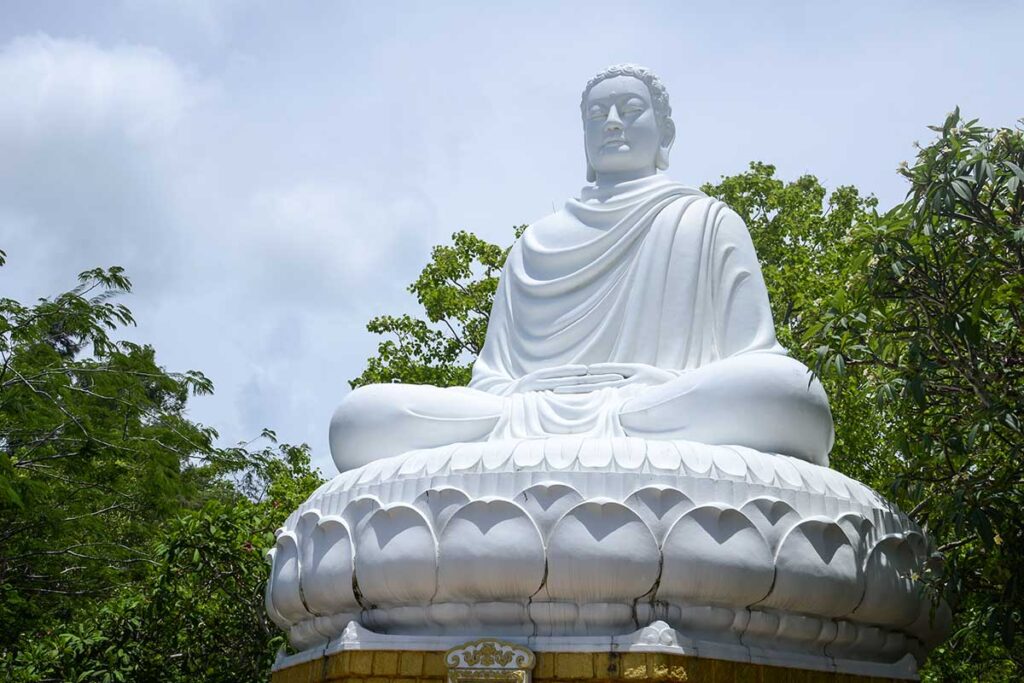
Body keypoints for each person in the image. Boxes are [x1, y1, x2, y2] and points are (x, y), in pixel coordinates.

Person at [329, 64, 834, 472]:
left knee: (787, 395)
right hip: (525, 416)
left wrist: (650, 387)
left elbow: (753, 358)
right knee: (359, 419)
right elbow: (491, 383)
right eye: (597, 114)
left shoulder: (706, 222)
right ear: (584, 136)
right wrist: (525, 396)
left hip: (659, 404)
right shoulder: (535, 244)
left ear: (665, 133)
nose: (612, 122)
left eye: (630, 110)